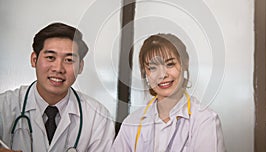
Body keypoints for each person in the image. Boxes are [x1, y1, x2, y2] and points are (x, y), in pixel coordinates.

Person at [0, 22, 115, 152]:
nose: (58, 68)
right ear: (34, 59)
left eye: (69, 60)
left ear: (80, 67)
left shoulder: (97, 117)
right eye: (50, 57)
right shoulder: (4, 106)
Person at [111, 33, 226, 152]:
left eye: (170, 64)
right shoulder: (131, 123)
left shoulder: (205, 120)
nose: (162, 75)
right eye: (153, 68)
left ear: (184, 64)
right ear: (145, 73)